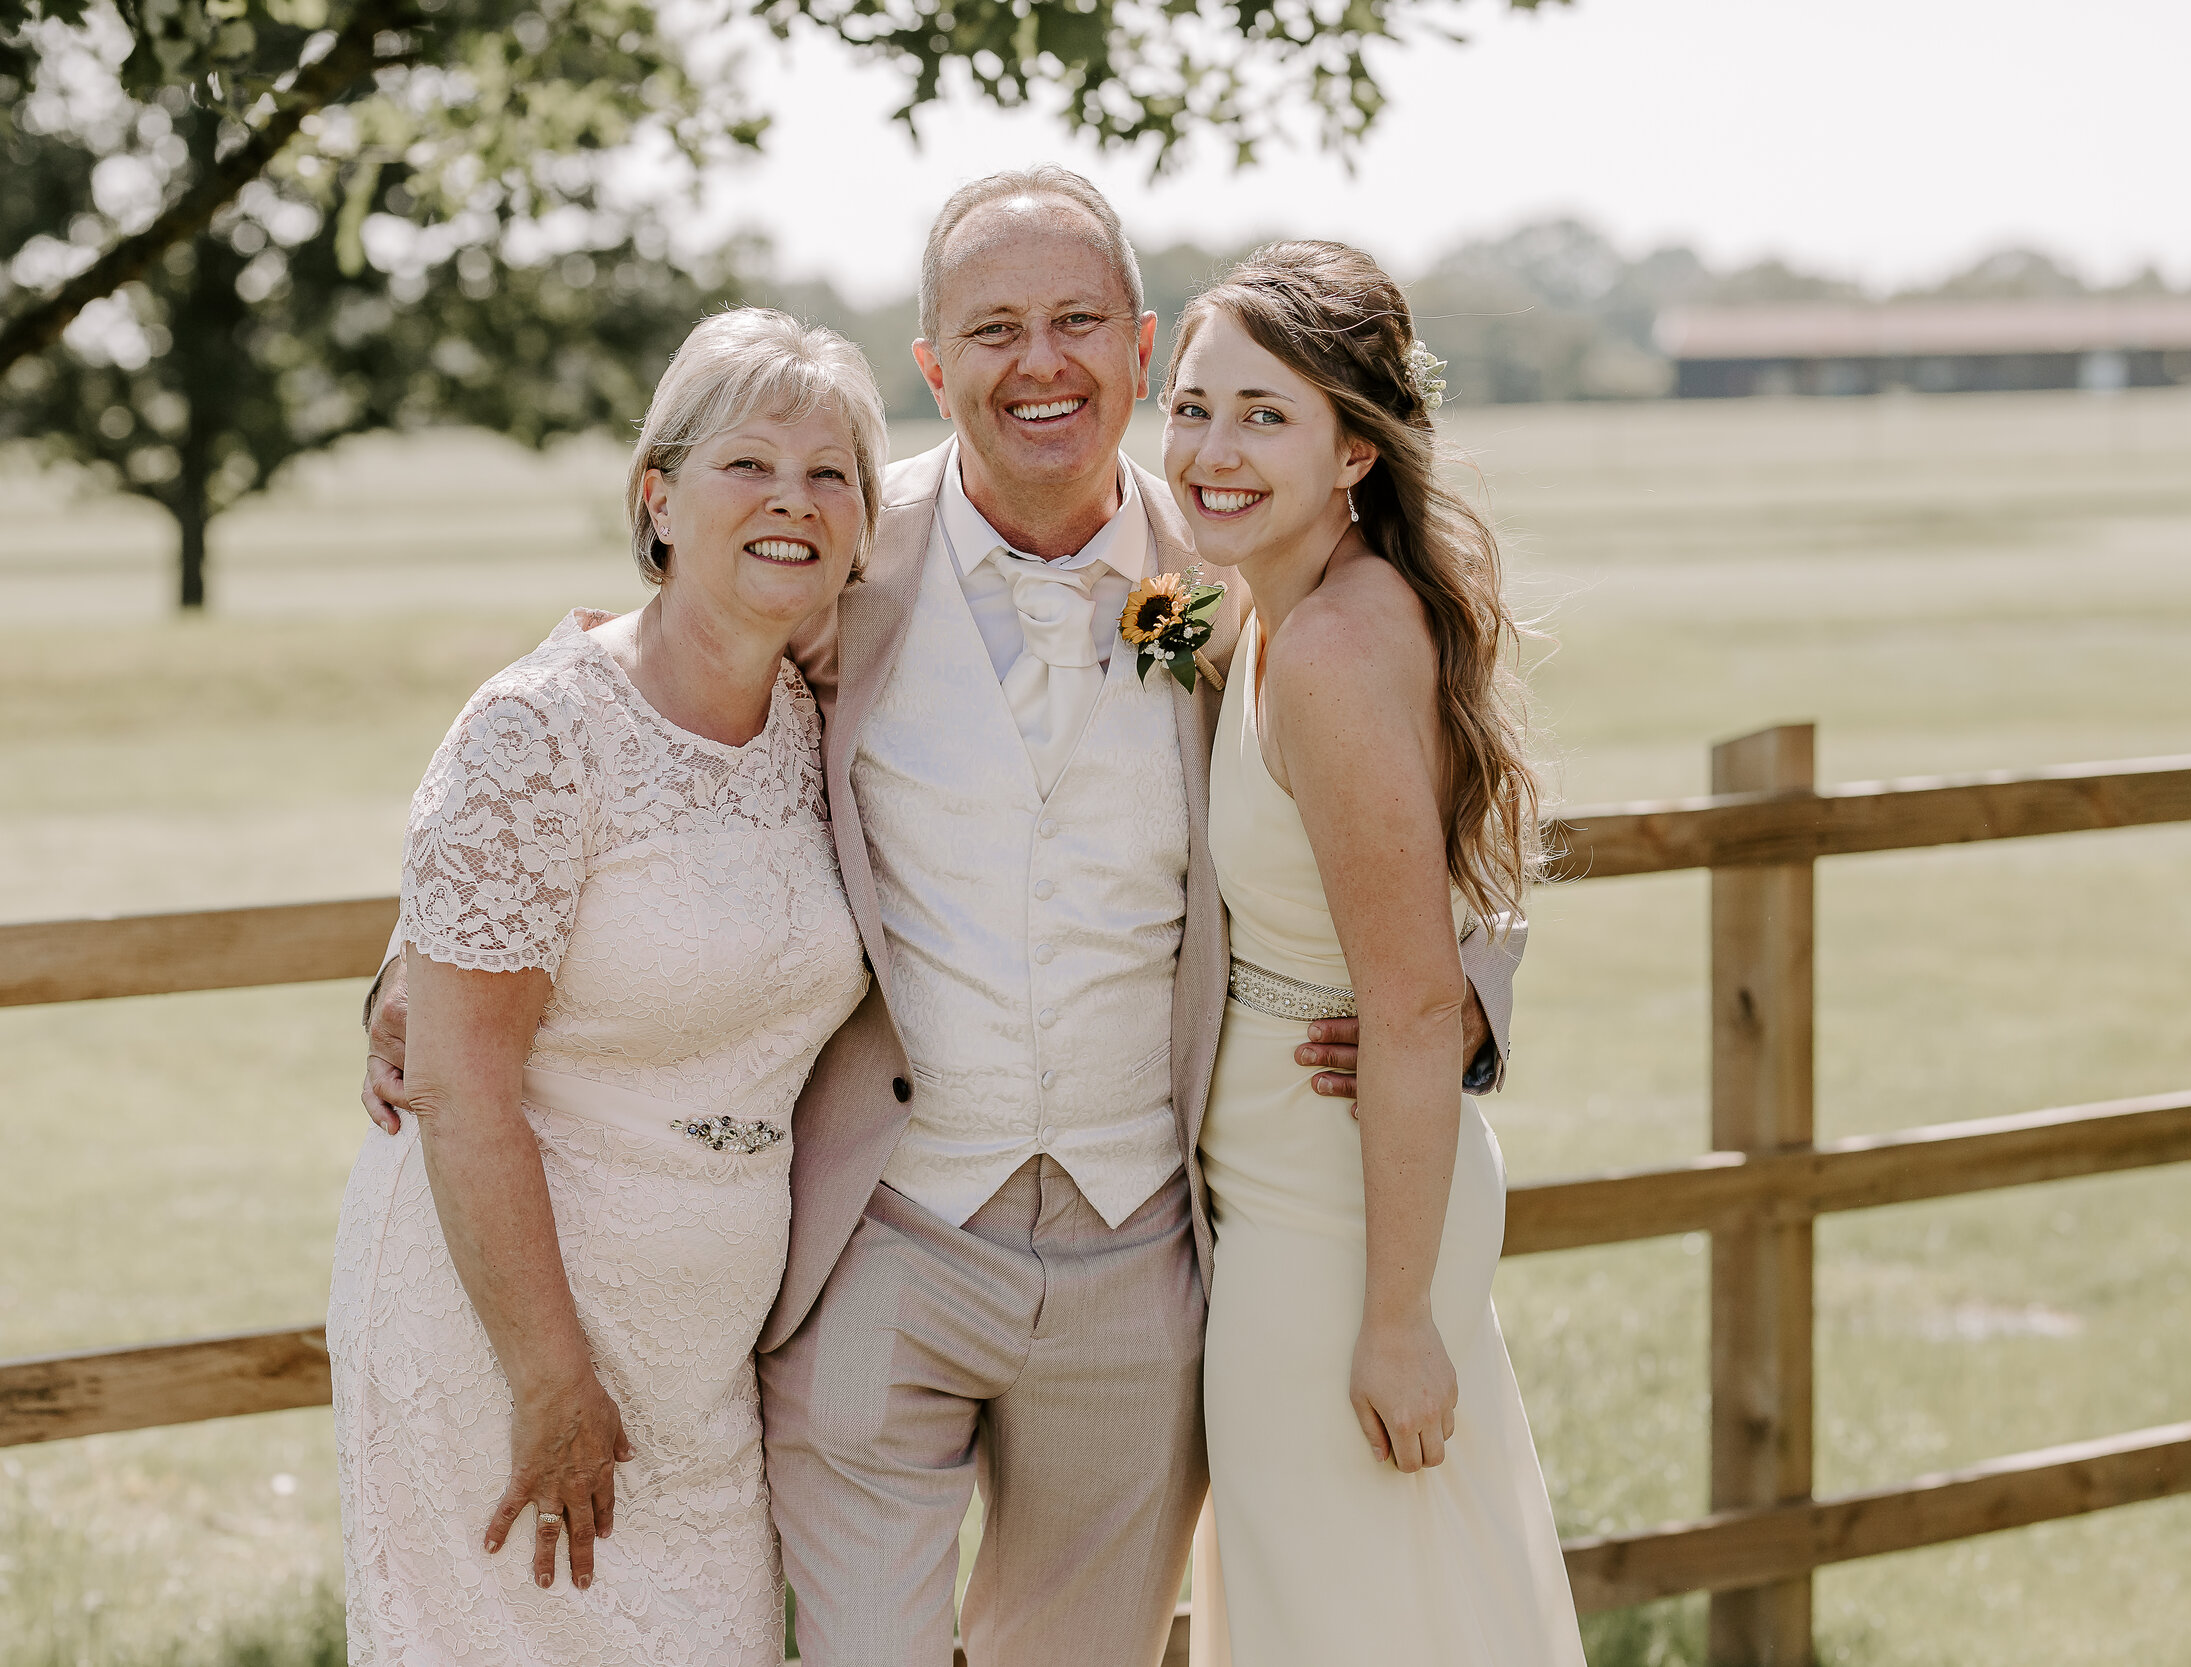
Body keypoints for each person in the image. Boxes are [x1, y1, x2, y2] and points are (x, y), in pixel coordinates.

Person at [362, 169, 1526, 1665]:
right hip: (885, 1238)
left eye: (1076, 322)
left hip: (1141, 1247)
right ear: (932, 364)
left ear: (1139, 342)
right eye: (993, 328)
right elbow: (636, 687)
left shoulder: (1242, 563)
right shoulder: (840, 553)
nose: (1039, 362)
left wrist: (1465, 1008)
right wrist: (420, 955)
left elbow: (1432, 795)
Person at [327, 308, 885, 1666]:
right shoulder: (540, 730)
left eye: (832, 476)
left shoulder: (820, 718)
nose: (793, 503)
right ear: (658, 495)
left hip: (708, 1357)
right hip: (507, 1330)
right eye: (749, 465)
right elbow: (460, 1085)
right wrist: (548, 1379)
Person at [1163, 242, 1583, 1664]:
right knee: (1352, 1599)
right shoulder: (1270, 608)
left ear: (1355, 448)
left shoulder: (1339, 647)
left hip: (1343, 1220)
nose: (1213, 450)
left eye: (1264, 416)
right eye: (1193, 404)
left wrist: (1398, 1321)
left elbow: (1409, 1011)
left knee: (1349, 1614)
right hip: (1293, 1179)